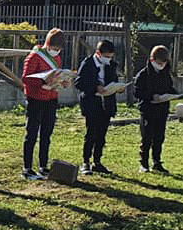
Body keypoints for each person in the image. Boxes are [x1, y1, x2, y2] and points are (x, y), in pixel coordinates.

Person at [20, 28, 67, 180]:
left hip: (51, 98)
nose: (56, 51)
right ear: (48, 44)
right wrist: (42, 81)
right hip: (36, 99)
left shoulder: (57, 58)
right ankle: (27, 167)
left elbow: (57, 74)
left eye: (58, 49)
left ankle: (43, 166)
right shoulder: (35, 56)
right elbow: (26, 78)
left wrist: (63, 81)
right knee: (32, 133)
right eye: (54, 48)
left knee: (46, 134)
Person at [75, 40, 118, 175]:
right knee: (91, 133)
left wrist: (117, 87)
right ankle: (86, 161)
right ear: (98, 53)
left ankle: (97, 161)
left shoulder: (111, 65)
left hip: (106, 103)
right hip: (92, 103)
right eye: (107, 56)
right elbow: (79, 83)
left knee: (102, 134)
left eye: (111, 56)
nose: (109, 59)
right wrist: (95, 87)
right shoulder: (88, 63)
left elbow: (114, 79)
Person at [134, 45, 179, 174]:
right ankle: (144, 163)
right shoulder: (143, 74)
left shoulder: (165, 73)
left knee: (159, 137)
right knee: (147, 137)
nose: (162, 65)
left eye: (164, 63)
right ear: (152, 59)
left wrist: (174, 94)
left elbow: (169, 87)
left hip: (162, 109)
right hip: (148, 109)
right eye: (159, 63)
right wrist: (151, 96)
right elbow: (137, 92)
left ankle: (157, 162)